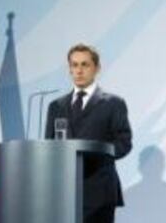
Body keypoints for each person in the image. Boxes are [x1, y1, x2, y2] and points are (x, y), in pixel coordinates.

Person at [45, 43, 132, 223]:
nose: (79, 70)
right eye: (74, 65)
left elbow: (124, 143)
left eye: (85, 64)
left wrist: (96, 152)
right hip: (64, 192)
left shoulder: (114, 103)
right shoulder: (56, 106)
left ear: (97, 68)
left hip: (99, 189)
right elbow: (49, 146)